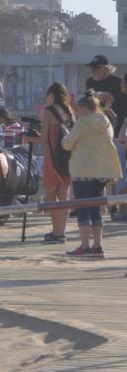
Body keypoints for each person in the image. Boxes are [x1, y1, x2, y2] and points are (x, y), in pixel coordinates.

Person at [61, 91, 122, 258]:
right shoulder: (106, 121)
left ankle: (85, 246)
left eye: (78, 108)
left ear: (84, 108)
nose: (76, 111)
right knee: (95, 208)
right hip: (102, 171)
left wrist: (65, 135)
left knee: (83, 208)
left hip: (82, 170)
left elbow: (67, 144)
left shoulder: (82, 123)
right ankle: (97, 245)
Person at [41, 82, 75, 244]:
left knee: (51, 198)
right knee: (64, 196)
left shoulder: (47, 112)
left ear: (51, 96)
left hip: (52, 158)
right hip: (68, 158)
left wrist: (26, 138)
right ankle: (61, 233)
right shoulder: (70, 112)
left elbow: (43, 139)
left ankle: (56, 232)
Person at [85, 55, 127, 136]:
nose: (92, 71)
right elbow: (88, 100)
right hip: (96, 121)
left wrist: (110, 96)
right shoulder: (89, 82)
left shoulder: (117, 82)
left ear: (105, 68)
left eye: (95, 68)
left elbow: (124, 98)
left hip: (115, 122)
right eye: (91, 68)